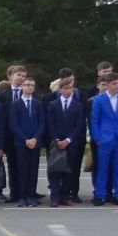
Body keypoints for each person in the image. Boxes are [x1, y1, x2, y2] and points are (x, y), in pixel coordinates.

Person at [89, 75, 118, 204]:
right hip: (105, 138)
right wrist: (98, 138)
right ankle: (100, 195)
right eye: (114, 83)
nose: (117, 86)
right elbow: (94, 121)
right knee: (103, 168)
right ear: (107, 85)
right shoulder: (99, 100)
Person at [44, 76, 84, 208]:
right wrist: (56, 139)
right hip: (56, 143)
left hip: (70, 143)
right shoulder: (53, 104)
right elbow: (50, 123)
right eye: (65, 88)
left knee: (68, 170)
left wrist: (68, 140)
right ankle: (55, 197)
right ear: (60, 89)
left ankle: (65, 196)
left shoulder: (77, 105)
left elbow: (79, 125)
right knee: (54, 170)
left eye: (70, 88)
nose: (68, 91)